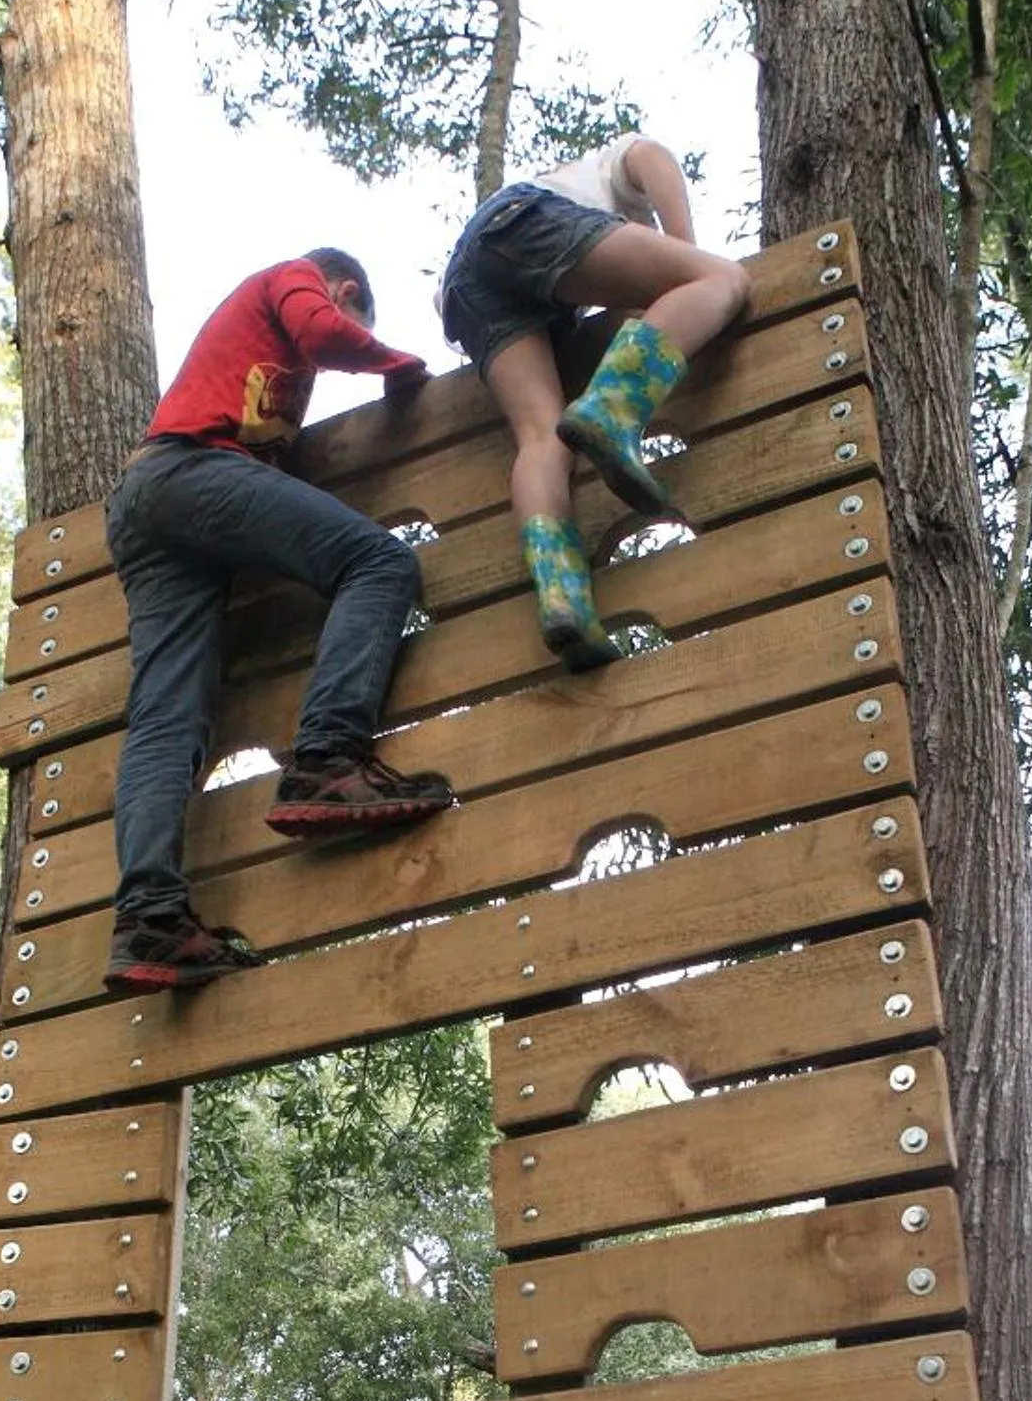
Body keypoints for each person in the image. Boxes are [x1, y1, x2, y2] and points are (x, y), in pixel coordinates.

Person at [103, 248, 456, 996]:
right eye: (349, 308)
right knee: (379, 565)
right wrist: (394, 362)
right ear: (347, 289)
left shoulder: (264, 399)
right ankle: (328, 762)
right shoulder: (293, 275)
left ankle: (150, 920)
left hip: (148, 507)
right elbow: (321, 332)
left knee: (167, 721)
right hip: (186, 471)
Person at [438, 133, 750, 671]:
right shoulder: (604, 174)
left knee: (541, 434)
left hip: (466, 284)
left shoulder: (582, 233)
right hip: (521, 219)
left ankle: (563, 598)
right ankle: (612, 410)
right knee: (723, 277)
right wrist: (687, 249)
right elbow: (652, 153)